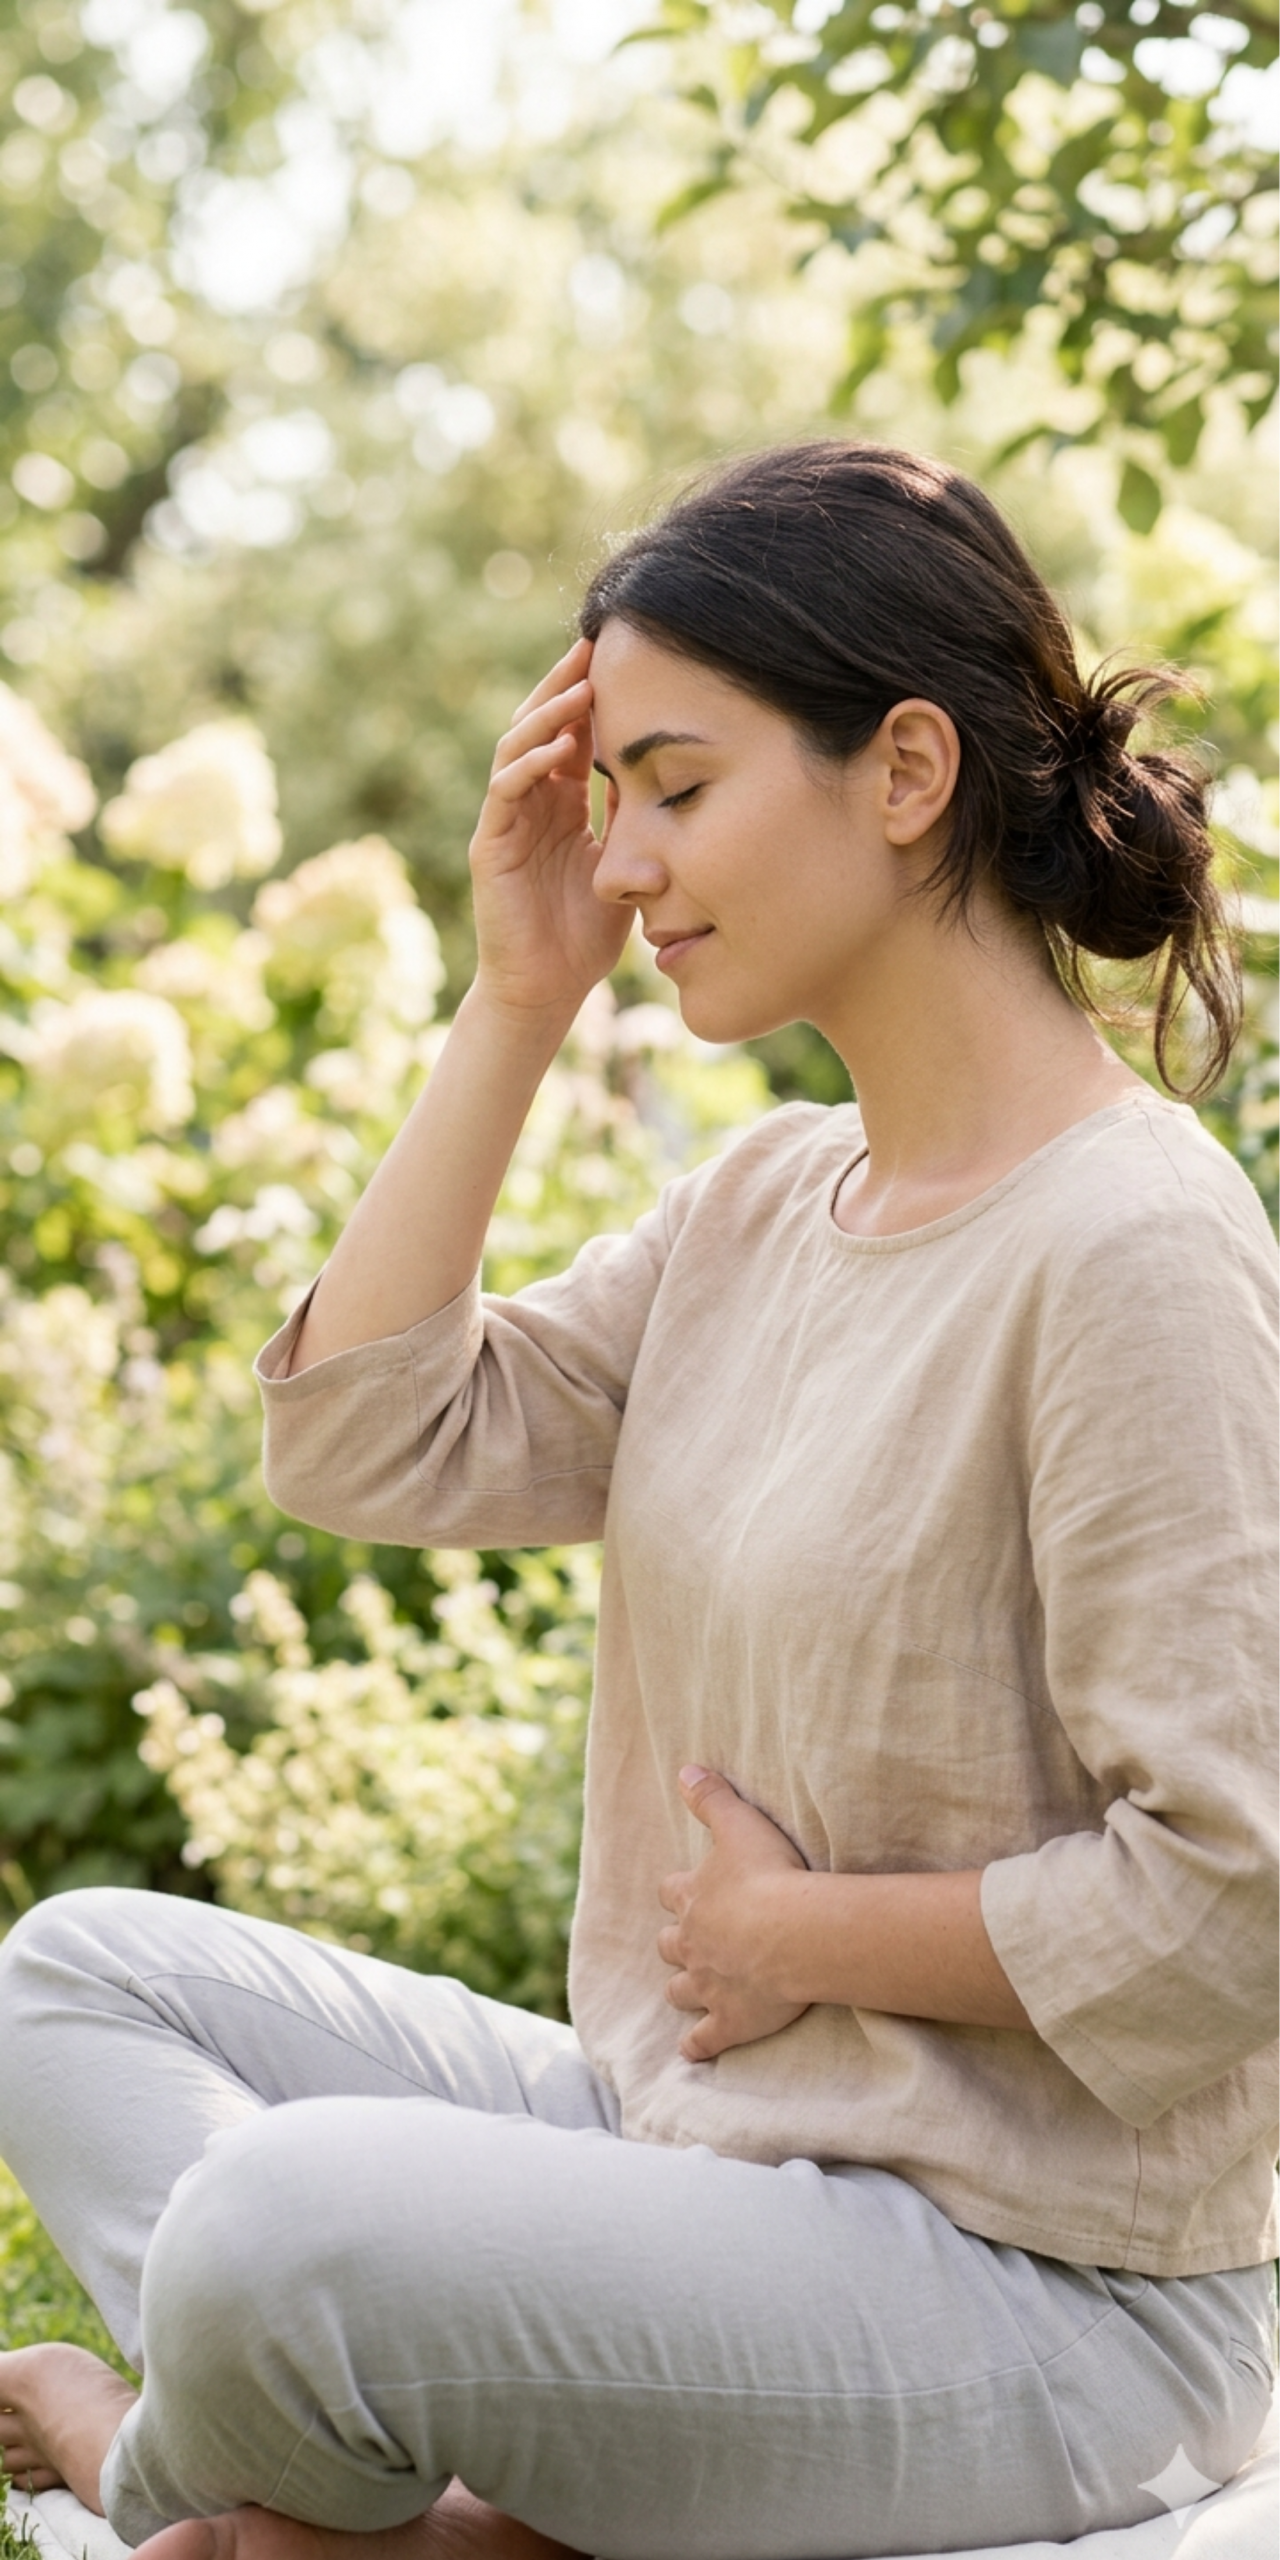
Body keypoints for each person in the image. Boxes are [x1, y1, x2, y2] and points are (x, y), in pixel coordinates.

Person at [0, 441, 1275, 2560]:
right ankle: (415, 2506)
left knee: (275, 2225)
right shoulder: (768, 1198)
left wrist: (806, 1932)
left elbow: (1236, 1893)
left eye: (677, 787)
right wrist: (516, 1003)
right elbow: (363, 1439)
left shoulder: (1131, 1246)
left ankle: (183, 2488)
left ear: (903, 770)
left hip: (1049, 2288)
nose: (632, 864)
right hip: (699, 2141)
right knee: (75, 1974)